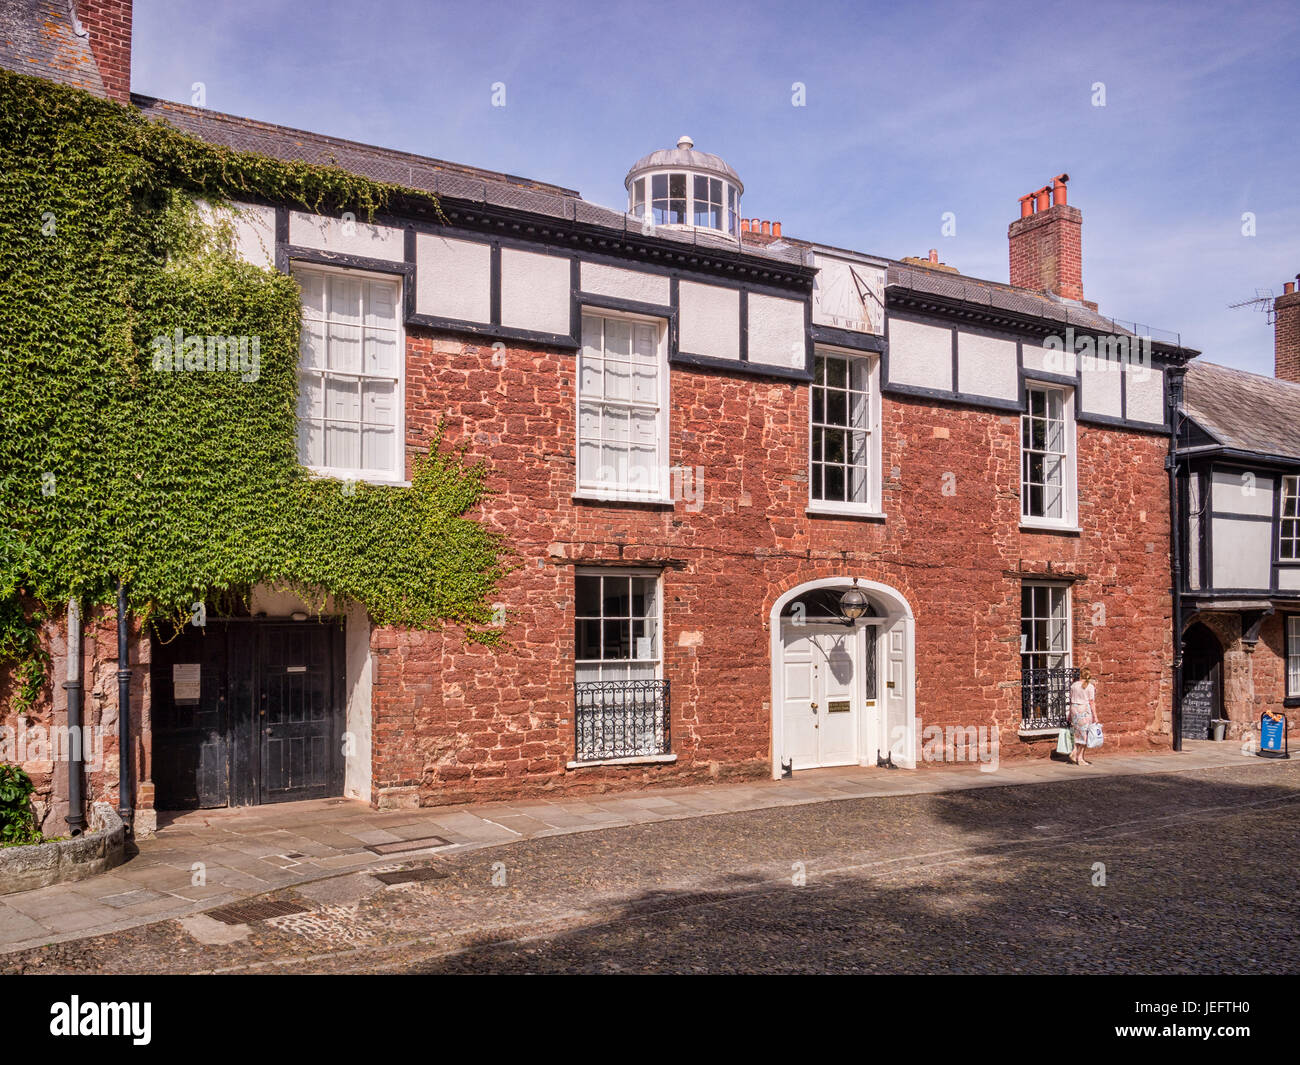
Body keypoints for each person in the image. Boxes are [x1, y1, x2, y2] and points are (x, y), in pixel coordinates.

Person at [1067, 668, 1098, 765]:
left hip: (1074, 709)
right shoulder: (1090, 687)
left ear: (1081, 675)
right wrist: (1095, 716)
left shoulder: (1074, 685)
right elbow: (1091, 702)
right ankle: (1079, 758)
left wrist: (1069, 714)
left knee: (1078, 733)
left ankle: (1074, 752)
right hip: (1083, 710)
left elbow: (1071, 700)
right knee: (1085, 734)